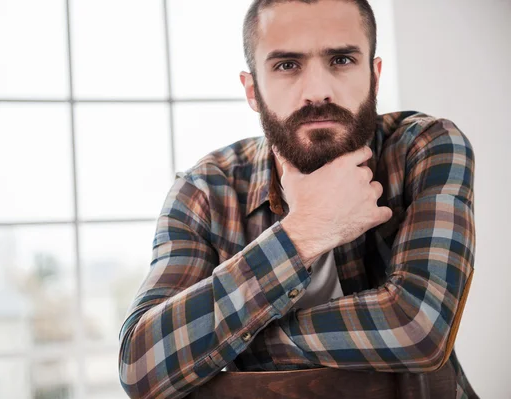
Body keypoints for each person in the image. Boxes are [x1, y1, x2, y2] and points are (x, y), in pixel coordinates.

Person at [118, 0, 478, 398]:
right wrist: (303, 233)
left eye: (341, 59)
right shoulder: (205, 191)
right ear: (253, 90)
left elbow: (419, 329)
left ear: (374, 77)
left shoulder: (425, 147)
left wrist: (239, 340)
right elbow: (141, 368)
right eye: (287, 65)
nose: (318, 91)